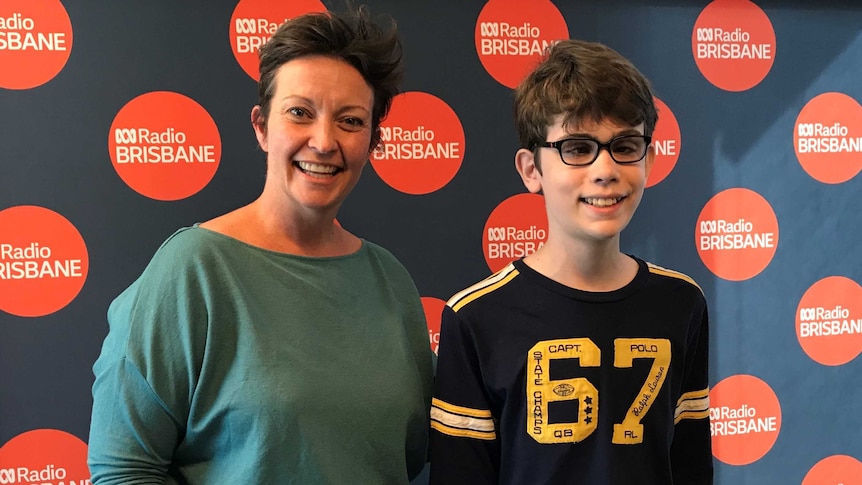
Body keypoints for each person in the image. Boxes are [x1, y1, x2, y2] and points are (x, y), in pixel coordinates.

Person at [87, 5, 433, 484]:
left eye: (351, 121)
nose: (324, 140)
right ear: (261, 126)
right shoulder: (193, 269)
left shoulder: (389, 280)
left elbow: (409, 455)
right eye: (300, 113)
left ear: (372, 141)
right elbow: (124, 467)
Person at [429, 39, 712, 484]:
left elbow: (691, 466)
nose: (605, 169)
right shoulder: (476, 318)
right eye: (577, 149)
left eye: (625, 145)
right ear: (531, 170)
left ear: (649, 160)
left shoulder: (681, 303)